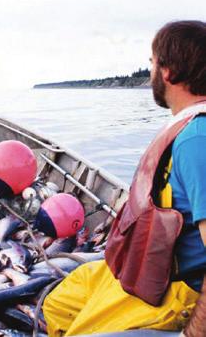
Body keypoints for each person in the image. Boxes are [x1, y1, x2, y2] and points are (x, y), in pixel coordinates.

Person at [43, 21, 206, 337]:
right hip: (145, 270)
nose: (150, 72)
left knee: (78, 331)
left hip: (175, 290)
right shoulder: (187, 128)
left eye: (153, 63)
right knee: (59, 305)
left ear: (169, 72)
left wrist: (194, 333)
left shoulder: (196, 141)